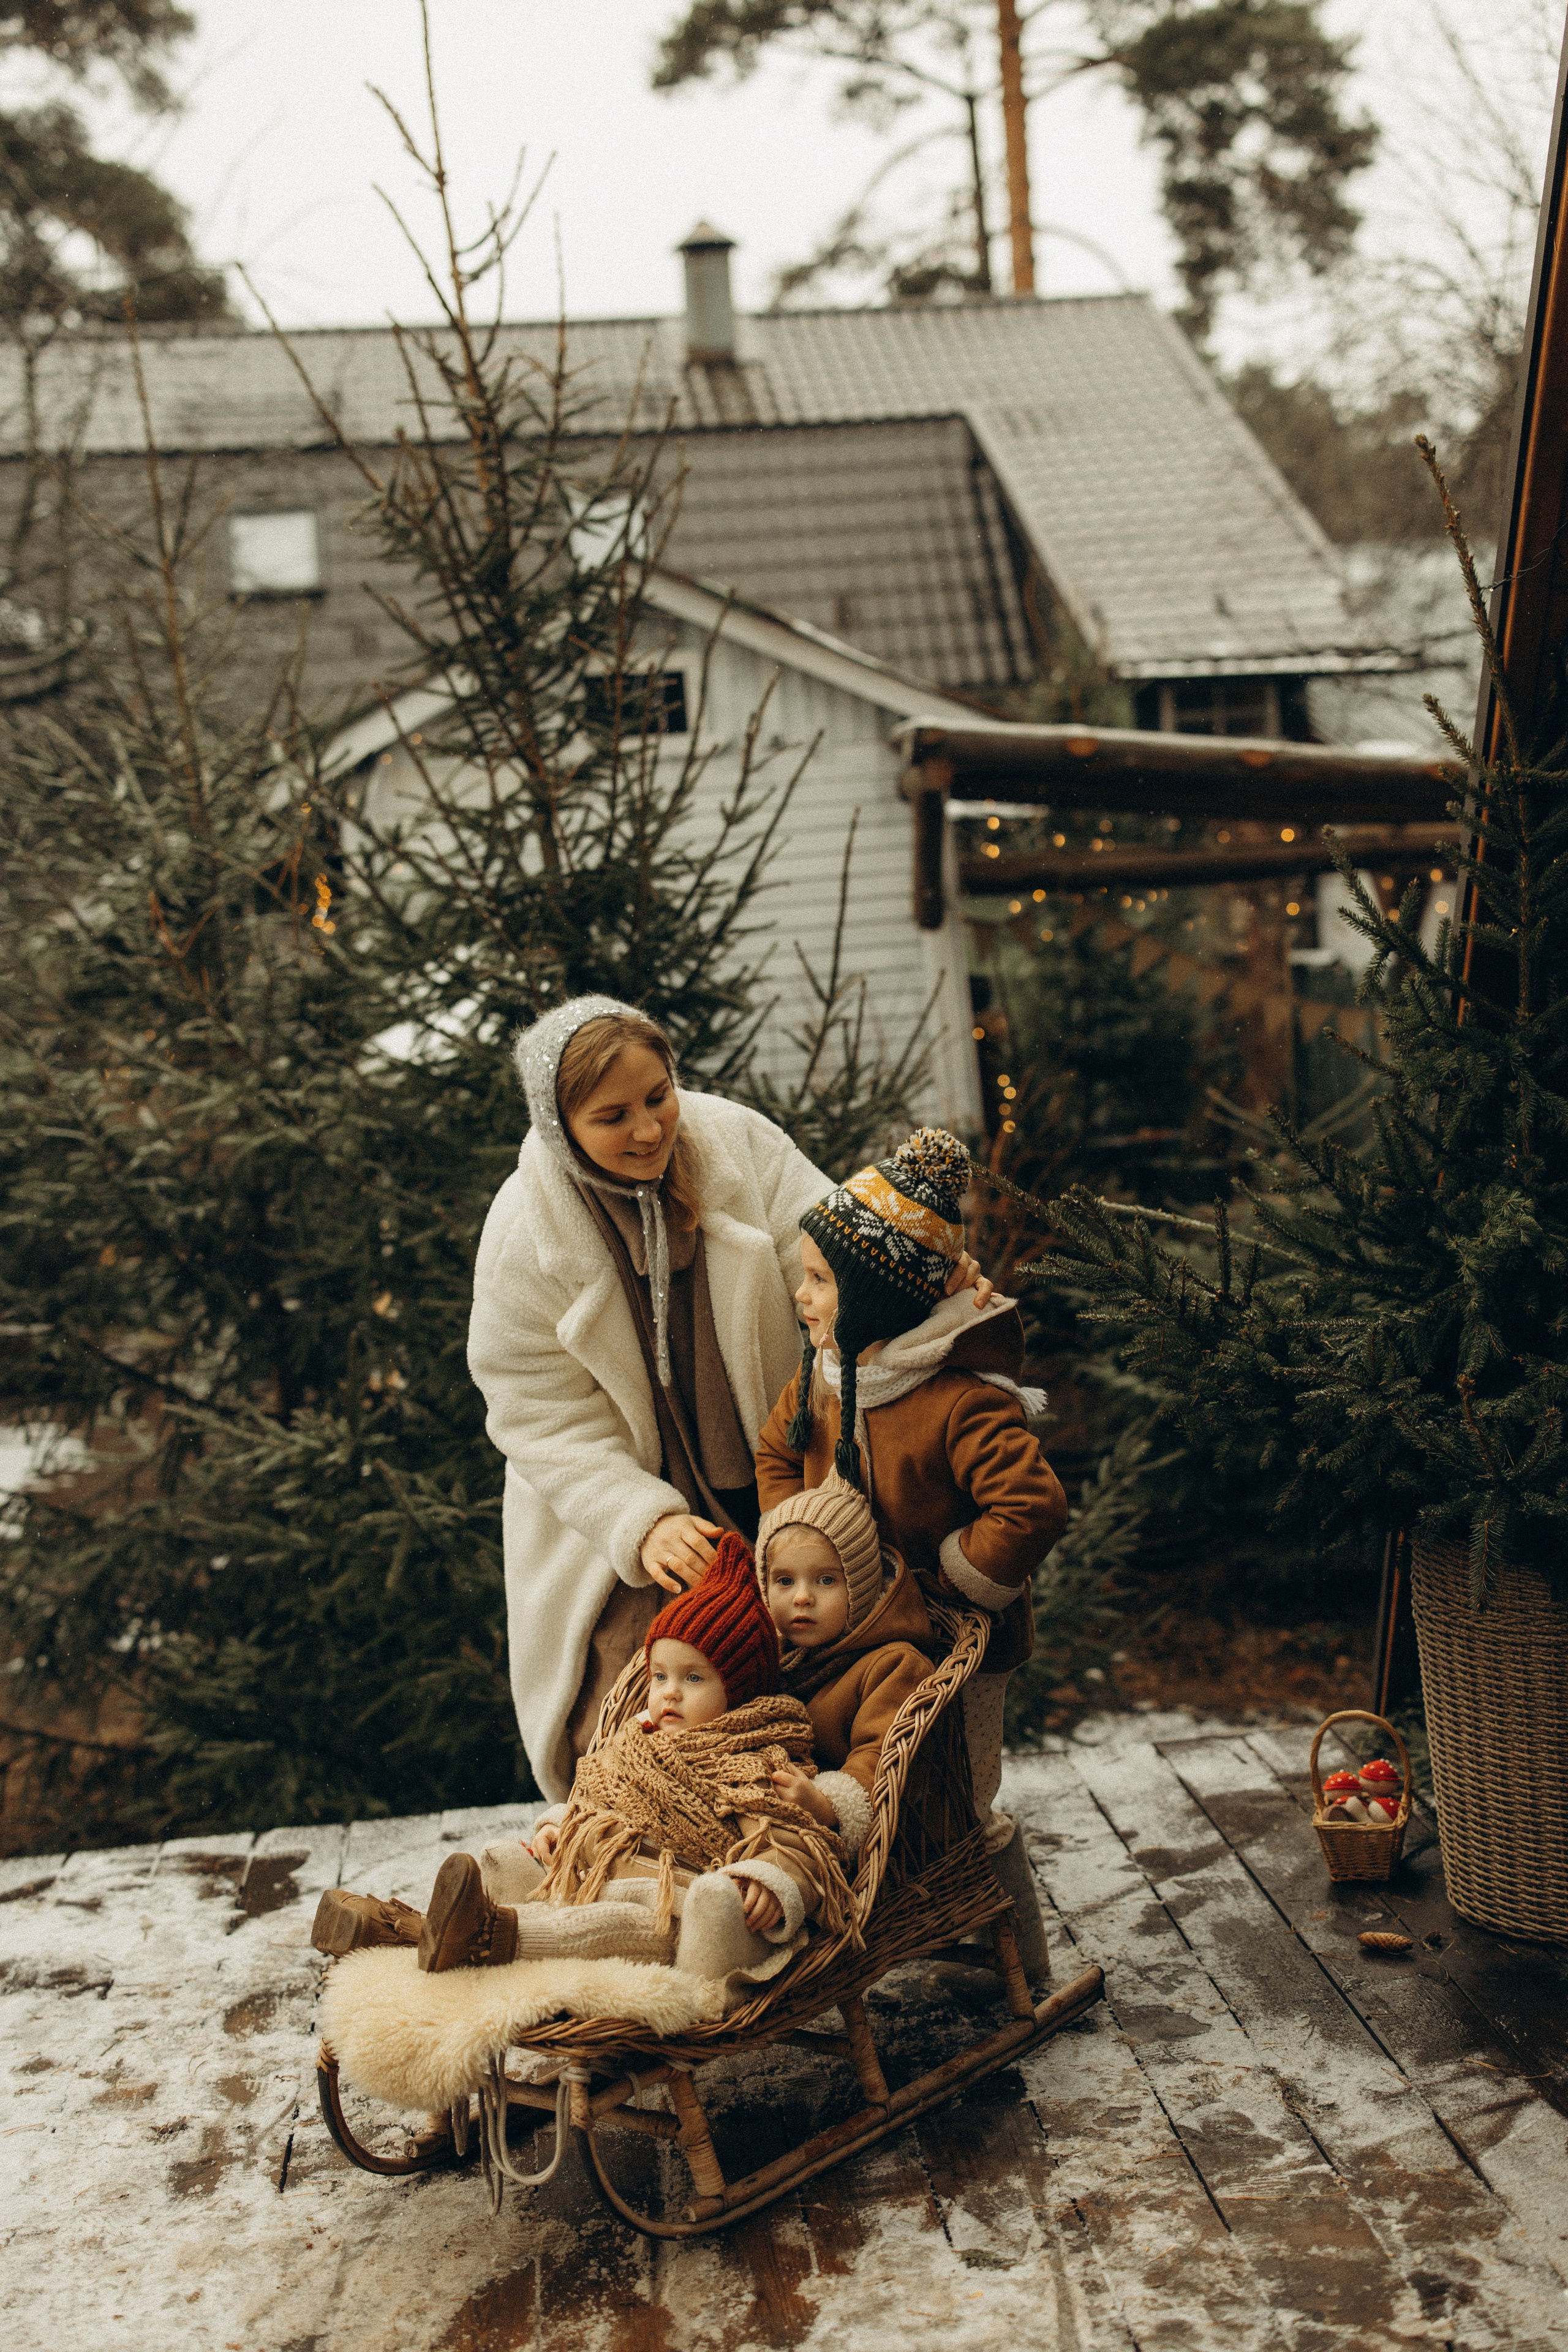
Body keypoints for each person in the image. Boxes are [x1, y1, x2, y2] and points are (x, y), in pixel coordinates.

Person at [466, 994, 987, 1801]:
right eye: (613, 1117)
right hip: (630, 1516)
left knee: (839, 1656)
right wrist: (640, 1520)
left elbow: (833, 1255)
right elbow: (538, 1414)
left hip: (778, 1472)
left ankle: (833, 1829)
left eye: (658, 1096)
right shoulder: (525, 1232)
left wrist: (925, 1277)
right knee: (654, 1694)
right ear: (560, 1125)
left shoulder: (733, 1145)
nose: (648, 1130)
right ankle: (638, 1847)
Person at [754, 1126, 1067, 1977]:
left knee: (961, 1794)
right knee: (878, 1774)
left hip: (961, 1639)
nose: (802, 1293)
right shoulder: (825, 1378)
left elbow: (1031, 1504)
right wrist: (796, 1537)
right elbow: (775, 1449)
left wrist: (961, 1577)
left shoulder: (955, 1401)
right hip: (862, 1629)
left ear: (875, 1297)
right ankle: (912, 1917)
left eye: (819, 1279)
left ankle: (1017, 1954)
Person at [315, 1536, 856, 1986]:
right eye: (660, 1676)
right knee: (514, 1862)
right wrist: (561, 1827)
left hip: (675, 1910)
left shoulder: (752, 1760)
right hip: (599, 1876)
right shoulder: (635, 1744)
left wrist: (770, 1881)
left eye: (694, 1679)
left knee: (614, 1921)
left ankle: (446, 1933)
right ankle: (437, 1926)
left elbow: (795, 1836)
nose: (669, 1693)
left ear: (737, 1691)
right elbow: (592, 1796)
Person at [752, 1474, 938, 1868]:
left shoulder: (893, 1664)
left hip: (840, 1840)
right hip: (755, 1808)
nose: (802, 1597)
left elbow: (883, 1757)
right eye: (784, 1581)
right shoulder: (771, 1654)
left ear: (860, 1586)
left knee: (778, 1866)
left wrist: (826, 1804)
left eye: (826, 1580)